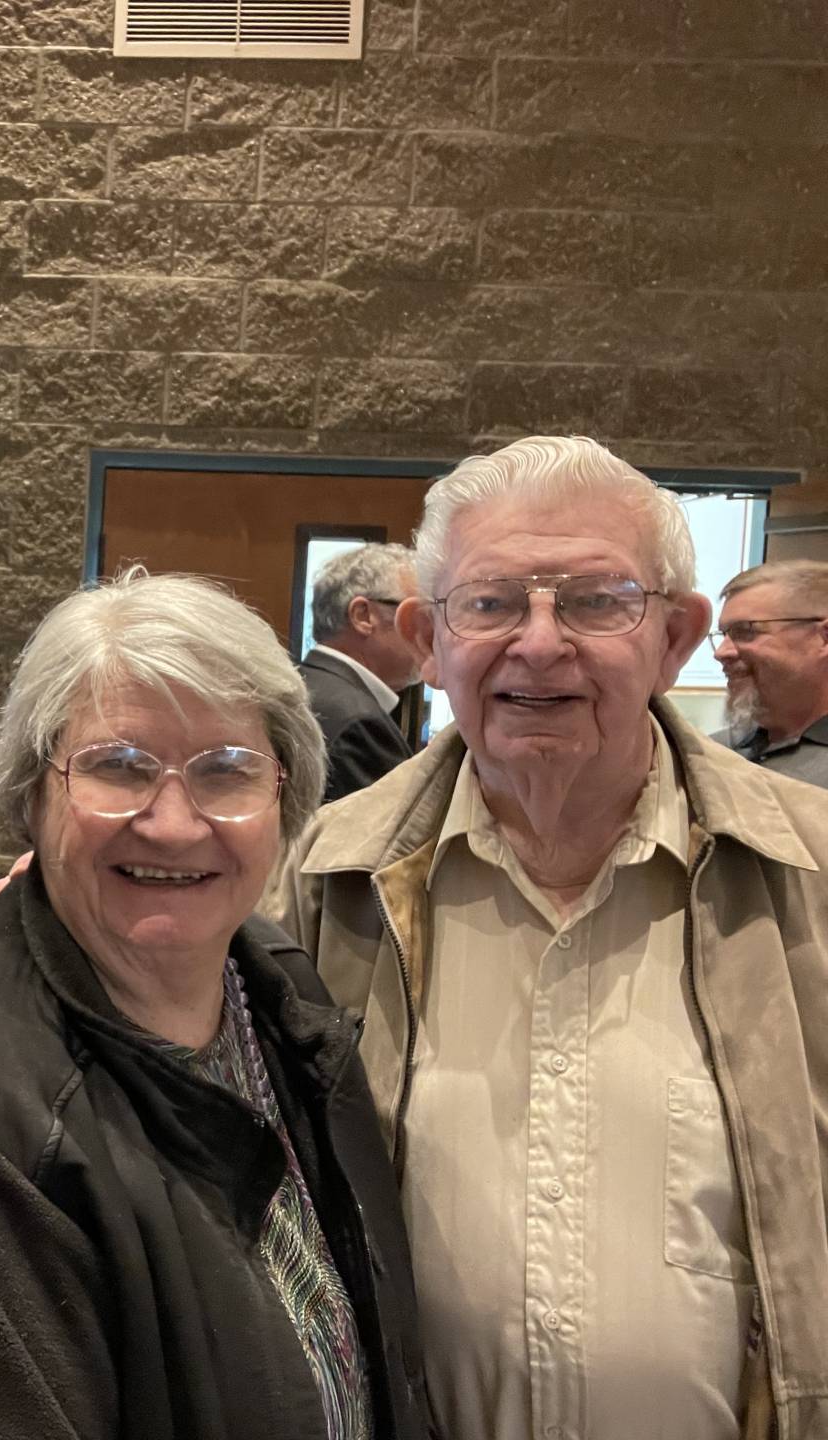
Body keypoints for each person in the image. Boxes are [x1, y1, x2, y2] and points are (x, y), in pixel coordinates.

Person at [0, 569, 432, 1440]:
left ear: (284, 795)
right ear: (32, 794)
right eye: (118, 768)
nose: (174, 823)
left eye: (227, 771)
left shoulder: (282, 992)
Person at [269, 436, 828, 1440]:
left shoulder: (813, 875)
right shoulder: (318, 883)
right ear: (427, 639)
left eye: (595, 600)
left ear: (676, 637)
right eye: (489, 602)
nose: (538, 642)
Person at [299, 543, 420, 802]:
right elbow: (386, 839)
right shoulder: (359, 723)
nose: (428, 634)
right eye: (416, 615)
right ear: (362, 616)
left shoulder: (301, 683)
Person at [711, 558, 828, 786]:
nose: (721, 653)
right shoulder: (708, 754)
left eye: (745, 631)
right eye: (723, 635)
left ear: (824, 638)